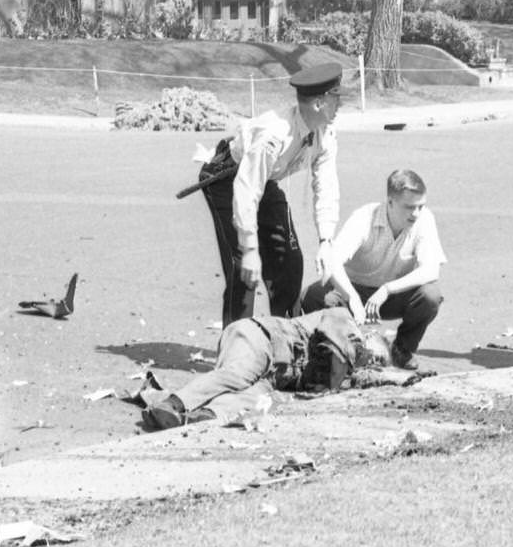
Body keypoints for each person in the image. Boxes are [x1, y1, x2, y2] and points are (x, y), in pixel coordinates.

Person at [197, 63, 342, 326]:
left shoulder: (325, 132)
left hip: (264, 181)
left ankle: (284, 339)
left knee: (289, 261)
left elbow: (326, 186)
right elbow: (246, 191)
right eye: (336, 97)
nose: (340, 104)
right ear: (320, 103)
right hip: (228, 179)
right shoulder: (273, 135)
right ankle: (236, 348)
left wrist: (326, 240)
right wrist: (250, 249)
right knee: (244, 269)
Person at [140, 308, 388, 429]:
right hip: (261, 338)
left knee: (254, 398)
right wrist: (339, 380)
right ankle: (173, 404)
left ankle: (199, 419)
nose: (371, 363)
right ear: (367, 339)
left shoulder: (348, 369)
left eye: (377, 363)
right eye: (374, 357)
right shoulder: (344, 322)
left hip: (273, 374)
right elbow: (339, 346)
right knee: (238, 374)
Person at [301, 168, 445, 371]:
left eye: (421, 206)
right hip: (355, 292)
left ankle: (403, 349)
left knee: (431, 295)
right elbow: (333, 262)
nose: (416, 213)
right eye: (409, 207)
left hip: (392, 296)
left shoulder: (425, 219)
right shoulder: (364, 217)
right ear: (390, 202)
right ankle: (343, 352)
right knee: (315, 296)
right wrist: (351, 297)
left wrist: (387, 289)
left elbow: (431, 270)